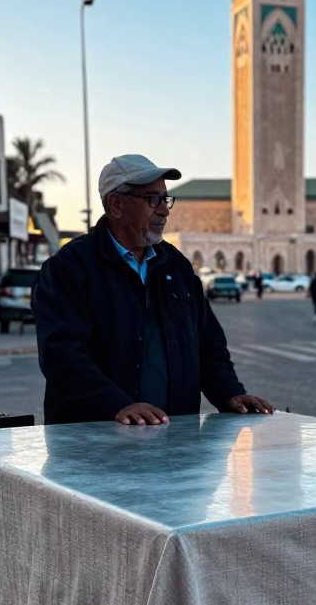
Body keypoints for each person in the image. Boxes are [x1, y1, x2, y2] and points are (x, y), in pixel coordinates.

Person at [32, 153, 273, 425]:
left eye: (165, 199)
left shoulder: (175, 266)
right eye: (152, 199)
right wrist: (117, 405)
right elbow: (62, 357)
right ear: (116, 205)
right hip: (95, 445)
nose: (164, 209)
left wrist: (230, 393)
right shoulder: (70, 268)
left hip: (174, 440)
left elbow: (207, 344)